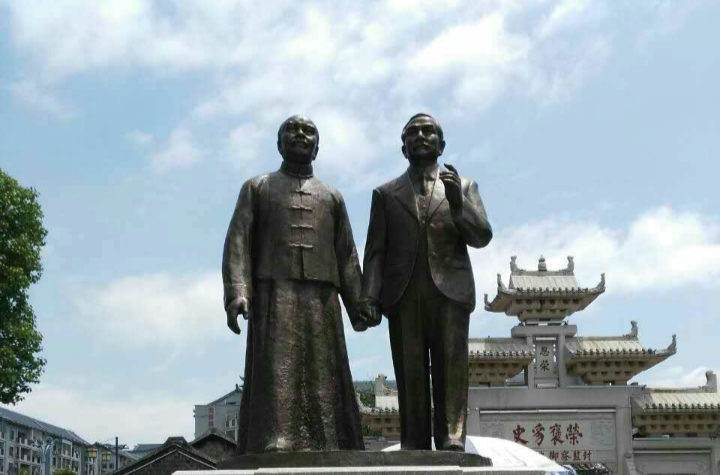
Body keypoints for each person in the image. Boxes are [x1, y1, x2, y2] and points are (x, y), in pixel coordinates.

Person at [223, 115, 367, 454]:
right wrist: (238, 293)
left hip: (323, 296)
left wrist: (359, 305)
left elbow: (346, 254)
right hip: (275, 290)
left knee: (324, 370)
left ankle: (331, 441)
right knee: (277, 368)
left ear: (317, 147)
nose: (300, 135)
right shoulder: (257, 187)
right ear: (279, 143)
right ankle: (277, 437)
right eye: (292, 129)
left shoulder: (332, 196)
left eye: (309, 132)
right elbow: (238, 242)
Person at [360, 113, 493, 451]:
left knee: (452, 368)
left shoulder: (463, 187)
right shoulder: (386, 194)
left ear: (441, 144)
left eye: (428, 131)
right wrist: (370, 298)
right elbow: (375, 251)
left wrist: (458, 204)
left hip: (451, 292)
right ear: (403, 146)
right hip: (404, 295)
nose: (420, 136)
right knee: (410, 371)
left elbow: (481, 237)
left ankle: (451, 436)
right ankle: (414, 441)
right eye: (412, 133)